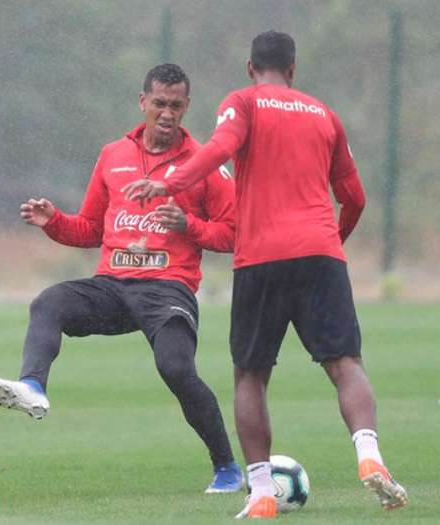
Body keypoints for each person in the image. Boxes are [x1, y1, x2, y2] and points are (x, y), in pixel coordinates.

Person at [123, 32, 407, 518]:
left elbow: (218, 149)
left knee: (250, 375)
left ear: (251, 67)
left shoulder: (243, 103)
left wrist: (168, 181)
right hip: (321, 252)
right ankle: (370, 456)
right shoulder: (325, 115)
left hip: (261, 258)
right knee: (345, 365)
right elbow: (355, 197)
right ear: (293, 69)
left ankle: (260, 492)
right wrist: (331, 241)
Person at [0, 64, 243, 493]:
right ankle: (33, 386)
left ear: (187, 108)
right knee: (49, 302)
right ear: (143, 102)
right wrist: (54, 222)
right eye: (159, 103)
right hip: (112, 286)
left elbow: (233, 233)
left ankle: (227, 468)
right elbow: (89, 229)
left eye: (175, 105)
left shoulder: (207, 163)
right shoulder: (113, 155)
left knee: (176, 368)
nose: (166, 113)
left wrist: (187, 226)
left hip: (167, 289)